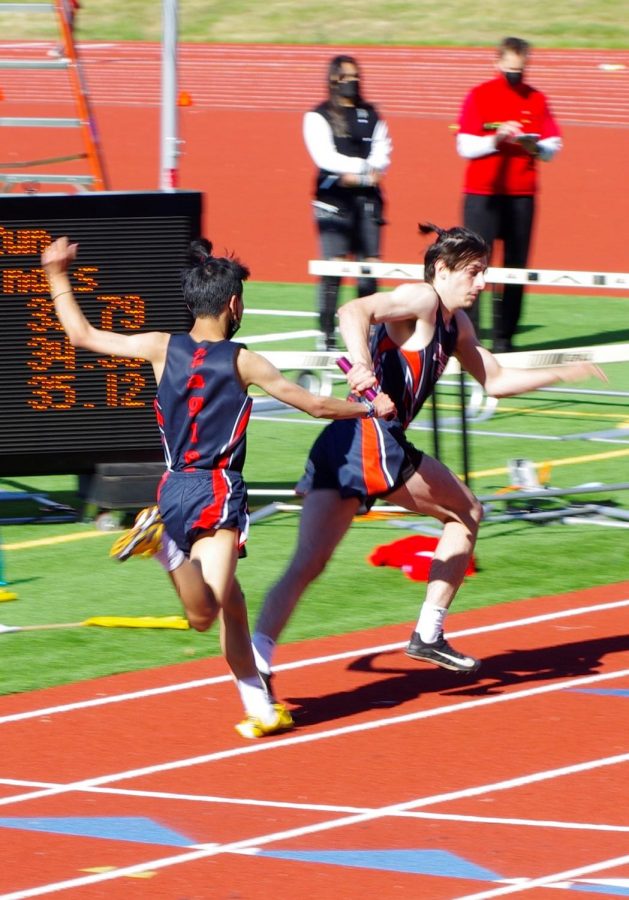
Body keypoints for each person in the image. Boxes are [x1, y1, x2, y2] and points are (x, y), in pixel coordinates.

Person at [41, 235, 394, 739]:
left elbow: (82, 335)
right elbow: (313, 405)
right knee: (206, 612)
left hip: (172, 489)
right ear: (233, 304)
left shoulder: (159, 346)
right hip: (216, 490)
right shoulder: (243, 359)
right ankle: (165, 551)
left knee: (233, 606)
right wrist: (368, 406)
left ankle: (259, 705)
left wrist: (56, 273)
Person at [252, 223, 605, 696]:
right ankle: (428, 633)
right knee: (466, 512)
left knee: (307, 564)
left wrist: (564, 371)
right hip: (372, 439)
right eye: (474, 273)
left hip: (348, 442)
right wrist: (359, 363)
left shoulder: (456, 326)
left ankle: (256, 663)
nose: (482, 284)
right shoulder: (421, 300)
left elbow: (495, 379)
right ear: (442, 269)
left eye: (485, 274)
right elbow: (353, 309)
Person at [456, 37, 563, 353]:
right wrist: (495, 138)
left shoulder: (537, 99)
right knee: (473, 265)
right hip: (482, 195)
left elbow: (553, 146)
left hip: (521, 196)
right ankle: (469, 338)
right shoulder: (480, 95)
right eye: (510, 68)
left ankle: (505, 337)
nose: (515, 75)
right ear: (498, 63)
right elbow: (464, 145)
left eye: (521, 69)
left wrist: (537, 147)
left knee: (516, 266)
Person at [304, 54, 392, 351]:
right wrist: (365, 169)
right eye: (344, 78)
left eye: (355, 77)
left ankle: (370, 335)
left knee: (370, 270)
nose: (351, 83)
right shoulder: (318, 116)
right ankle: (326, 333)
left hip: (368, 204)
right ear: (332, 81)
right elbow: (325, 158)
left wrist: (361, 176)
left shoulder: (372, 114)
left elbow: (383, 154)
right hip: (333, 204)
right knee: (335, 269)